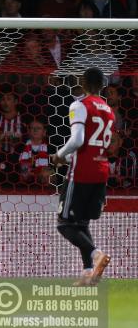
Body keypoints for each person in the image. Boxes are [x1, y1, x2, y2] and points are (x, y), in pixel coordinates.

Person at [51, 67, 115, 286]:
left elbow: (77, 140)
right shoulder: (108, 109)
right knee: (82, 223)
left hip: (80, 173)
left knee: (64, 224)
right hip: (101, 172)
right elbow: (94, 146)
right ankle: (89, 273)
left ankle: (95, 253)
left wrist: (59, 155)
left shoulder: (79, 105)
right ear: (102, 85)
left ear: (83, 83)